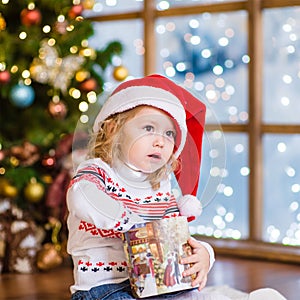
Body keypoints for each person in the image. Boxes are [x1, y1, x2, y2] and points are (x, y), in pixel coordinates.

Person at [66, 74, 287, 300]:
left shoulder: (159, 185)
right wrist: (129, 220)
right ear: (113, 129)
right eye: (149, 127)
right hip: (105, 287)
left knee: (189, 295)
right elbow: (82, 197)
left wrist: (205, 255)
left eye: (169, 133)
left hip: (157, 282)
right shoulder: (97, 171)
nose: (160, 141)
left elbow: (177, 238)